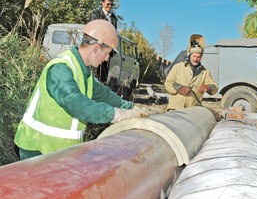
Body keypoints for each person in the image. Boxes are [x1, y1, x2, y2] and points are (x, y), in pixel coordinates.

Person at [14, 20, 158, 160]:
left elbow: (104, 95)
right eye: (107, 53)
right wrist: (116, 115)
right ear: (96, 48)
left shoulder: (84, 72)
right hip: (37, 148)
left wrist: (134, 109)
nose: (107, 59)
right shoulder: (60, 68)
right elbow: (77, 104)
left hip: (60, 150)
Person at [165, 35, 218, 110]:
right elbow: (168, 83)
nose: (196, 59)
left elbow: (215, 87)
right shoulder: (178, 67)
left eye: (198, 57)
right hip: (175, 109)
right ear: (189, 55)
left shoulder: (204, 72)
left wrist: (207, 87)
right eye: (194, 56)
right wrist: (180, 88)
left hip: (193, 111)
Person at [89, 0, 118, 82]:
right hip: (96, 50)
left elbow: (113, 34)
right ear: (102, 3)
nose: (110, 6)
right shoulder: (95, 15)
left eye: (111, 5)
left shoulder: (113, 18)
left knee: (103, 77)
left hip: (107, 52)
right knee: (94, 76)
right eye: (108, 4)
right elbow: (92, 33)